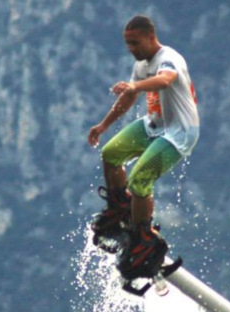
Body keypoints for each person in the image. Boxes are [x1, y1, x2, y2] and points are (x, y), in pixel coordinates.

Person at [88, 14, 199, 276]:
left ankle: (143, 236)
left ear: (151, 37)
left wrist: (135, 85)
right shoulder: (142, 65)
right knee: (111, 153)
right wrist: (103, 125)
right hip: (154, 126)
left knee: (139, 179)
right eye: (127, 44)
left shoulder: (169, 58)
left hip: (179, 133)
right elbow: (128, 98)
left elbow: (164, 81)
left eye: (135, 43)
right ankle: (119, 208)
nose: (131, 49)